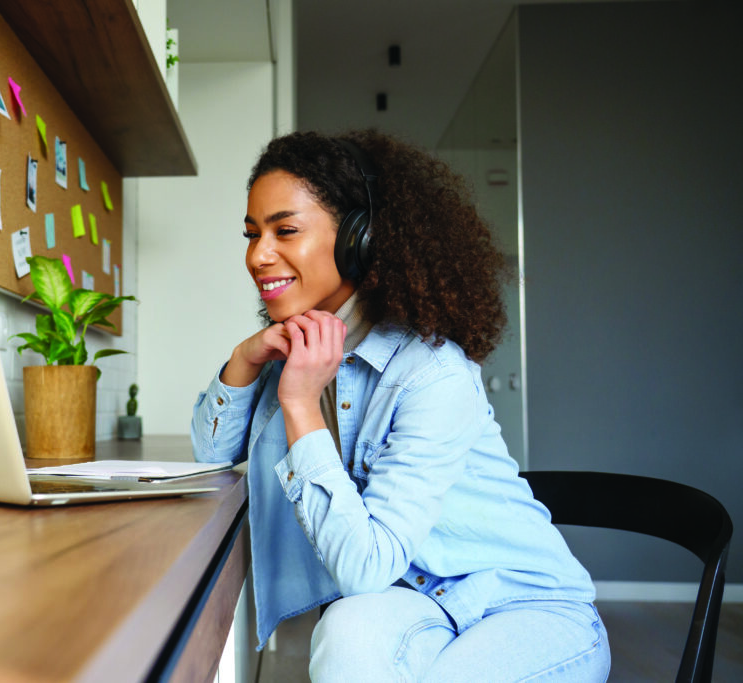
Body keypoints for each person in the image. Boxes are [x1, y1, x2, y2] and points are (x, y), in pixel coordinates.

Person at [191, 130, 610, 681]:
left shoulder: (433, 374)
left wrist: (299, 404)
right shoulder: (299, 349)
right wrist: (244, 360)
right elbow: (213, 449)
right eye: (252, 234)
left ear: (358, 239)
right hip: (416, 602)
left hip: (523, 606)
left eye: (284, 230)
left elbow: (365, 566)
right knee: (346, 634)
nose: (257, 256)